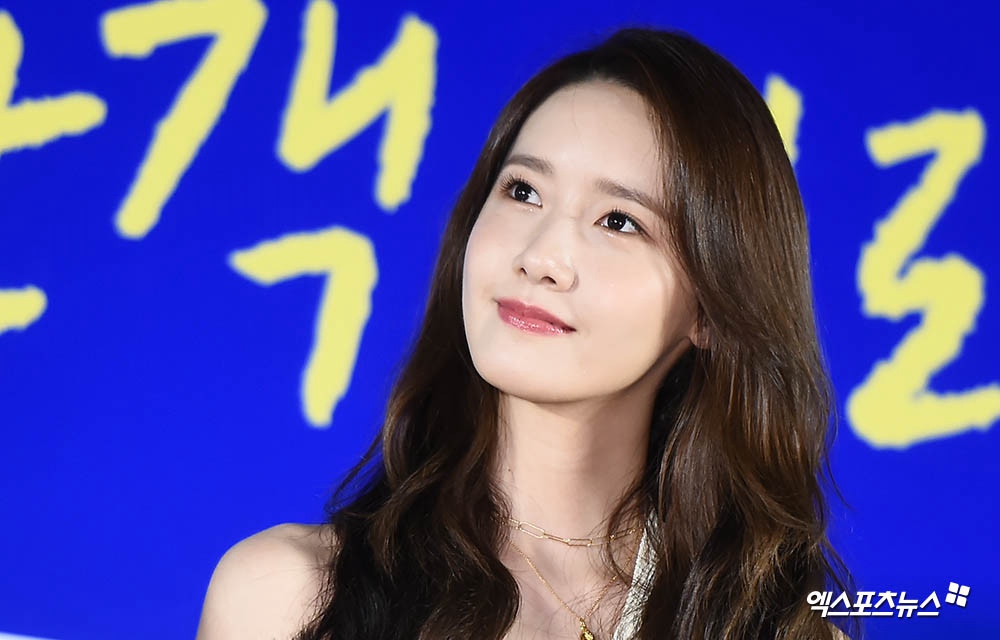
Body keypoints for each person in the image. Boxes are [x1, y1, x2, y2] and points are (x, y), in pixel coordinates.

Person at [196, 27, 854, 640]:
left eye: (619, 221)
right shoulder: (288, 597)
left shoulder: (780, 628)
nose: (540, 257)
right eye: (523, 191)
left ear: (709, 309)